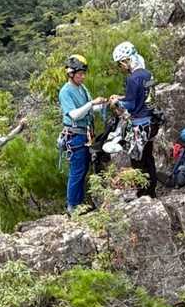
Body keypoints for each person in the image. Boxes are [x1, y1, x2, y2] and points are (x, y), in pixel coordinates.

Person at [58, 55, 106, 215]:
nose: (83, 77)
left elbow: (89, 110)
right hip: (75, 135)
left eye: (83, 73)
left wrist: (103, 104)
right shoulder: (65, 92)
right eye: (80, 74)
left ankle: (79, 204)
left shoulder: (82, 88)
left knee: (83, 169)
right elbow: (74, 114)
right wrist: (91, 103)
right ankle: (73, 206)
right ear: (71, 74)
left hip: (85, 135)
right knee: (77, 171)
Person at [110, 40, 157, 199]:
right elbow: (144, 96)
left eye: (120, 64)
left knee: (138, 160)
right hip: (150, 122)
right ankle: (152, 191)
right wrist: (122, 97)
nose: (121, 67)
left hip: (138, 126)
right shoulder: (148, 74)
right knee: (148, 158)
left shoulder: (132, 79)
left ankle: (143, 193)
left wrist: (116, 102)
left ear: (126, 60)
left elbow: (130, 104)